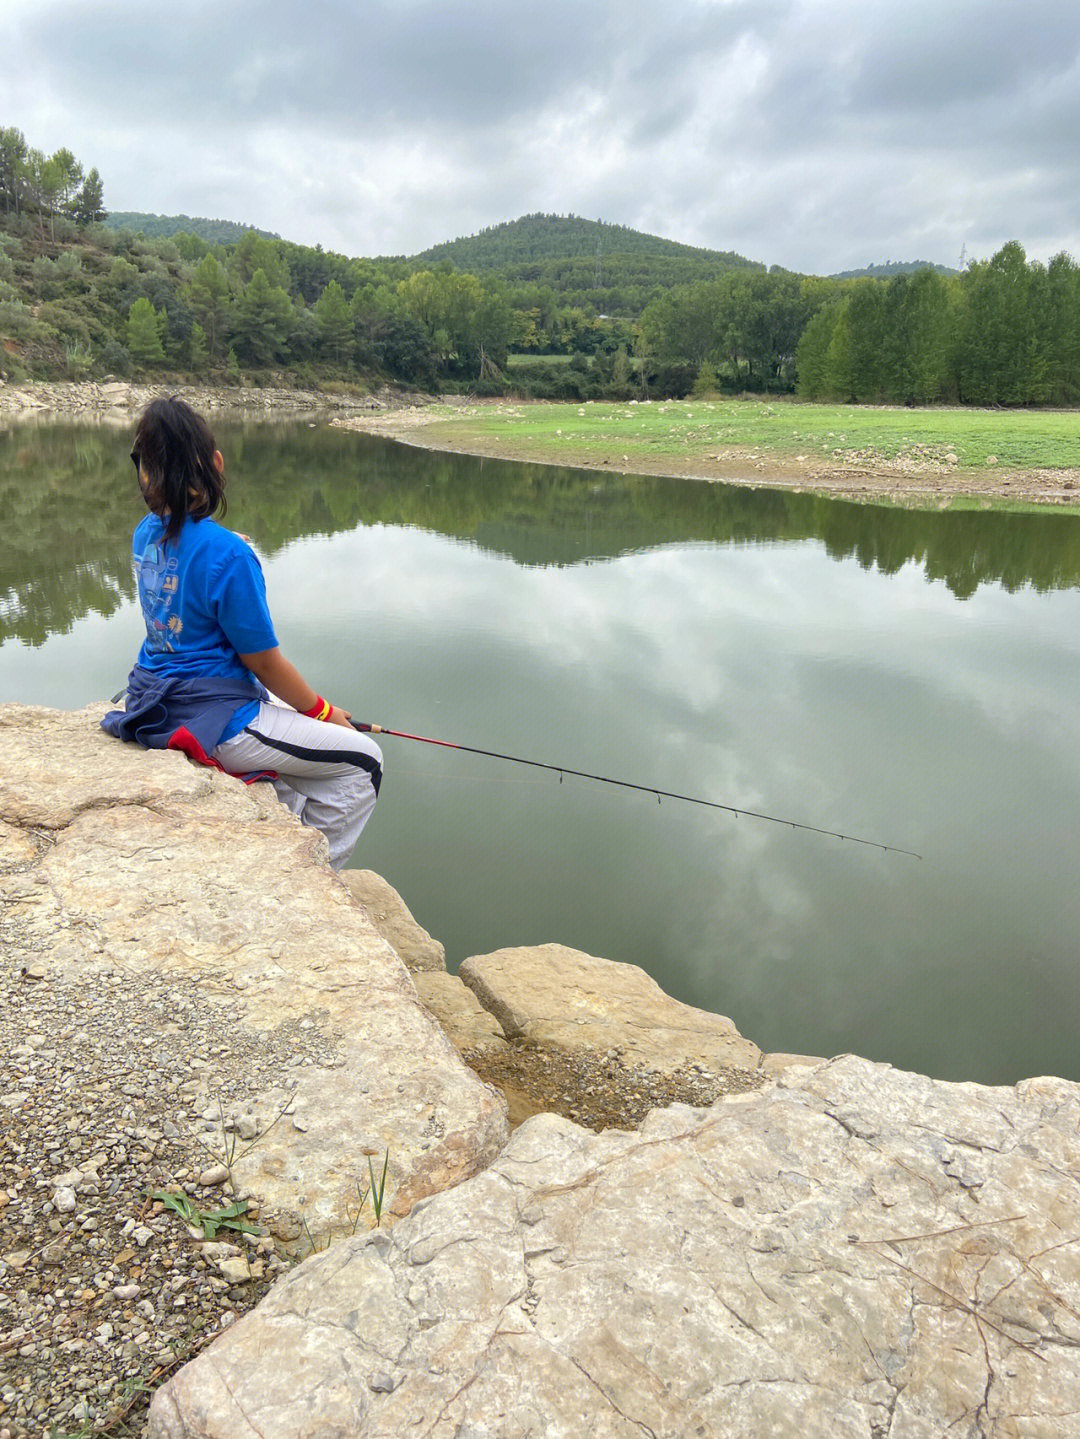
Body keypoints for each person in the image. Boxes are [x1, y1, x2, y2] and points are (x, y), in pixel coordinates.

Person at [101, 395, 382, 869]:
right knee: (365, 761)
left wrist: (229, 551)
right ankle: (314, 878)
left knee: (296, 735)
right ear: (215, 464)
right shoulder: (228, 555)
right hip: (211, 715)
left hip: (154, 694)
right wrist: (326, 711)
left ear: (146, 473)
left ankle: (285, 831)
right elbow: (264, 663)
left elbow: (187, 566)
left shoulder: (143, 533)